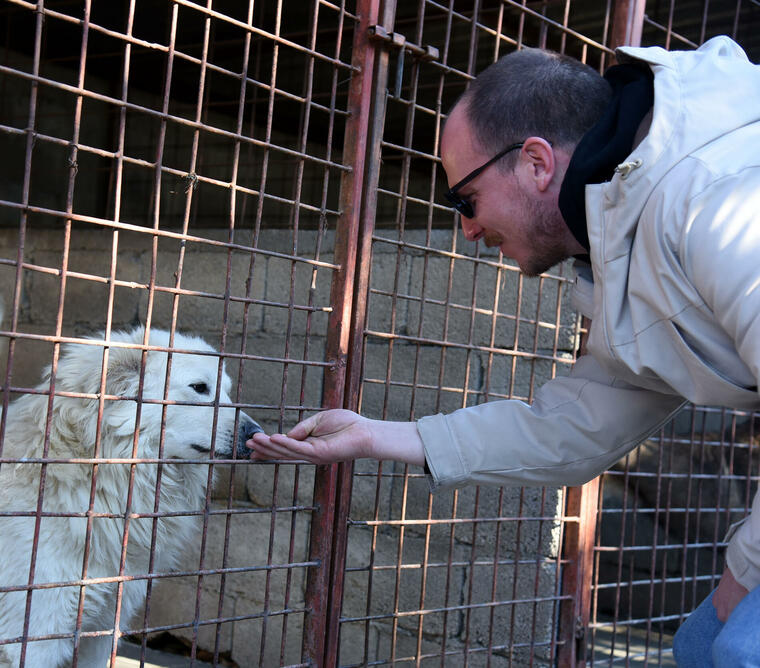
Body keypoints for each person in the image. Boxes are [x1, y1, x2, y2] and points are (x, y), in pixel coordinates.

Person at [248, 36, 760, 666]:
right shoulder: (625, 235)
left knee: (736, 648)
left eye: (464, 199)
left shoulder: (717, 200)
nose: (466, 229)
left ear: (537, 164)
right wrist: (374, 435)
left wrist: (744, 570)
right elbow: (573, 430)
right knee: (702, 647)